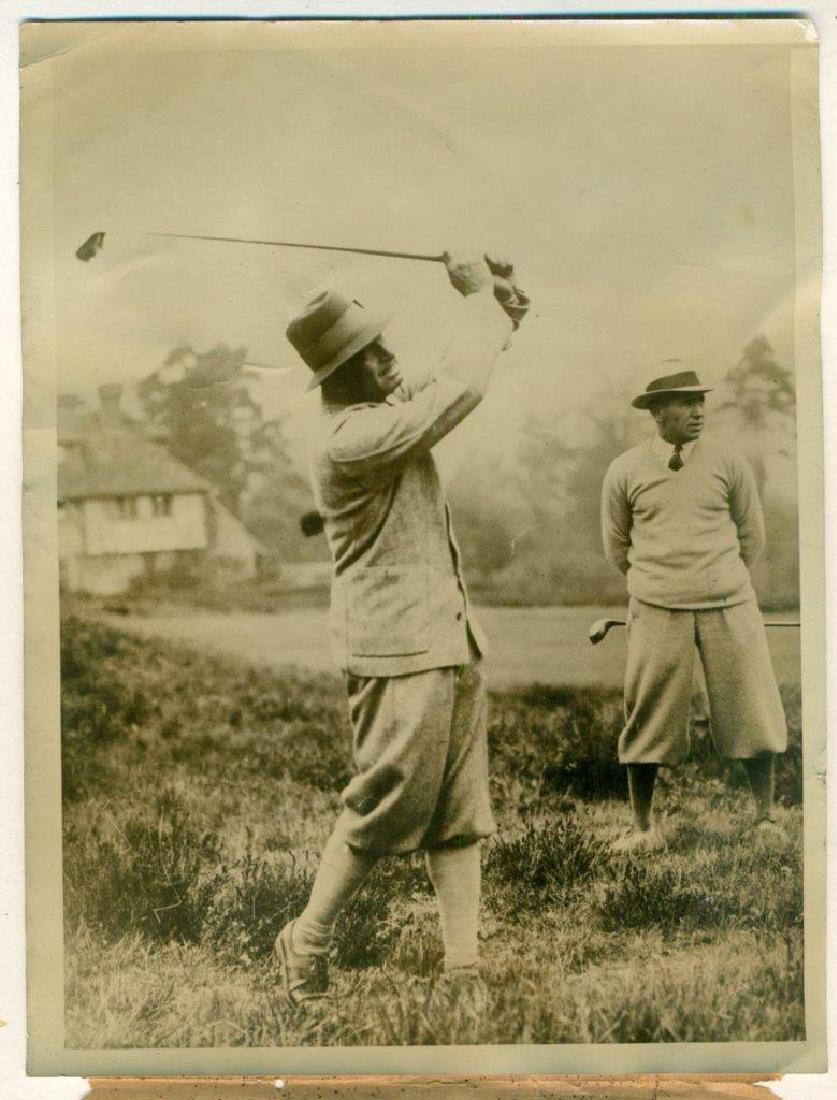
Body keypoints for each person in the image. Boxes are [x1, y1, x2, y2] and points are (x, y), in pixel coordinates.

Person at [276, 252, 528, 1006]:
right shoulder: (349, 440)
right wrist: (477, 299)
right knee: (382, 807)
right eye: (371, 352)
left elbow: (448, 372)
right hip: (394, 647)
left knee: (459, 810)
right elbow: (457, 391)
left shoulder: (377, 412)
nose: (389, 358)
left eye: (383, 343)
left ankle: (463, 969)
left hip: (445, 635)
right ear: (341, 375)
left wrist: (499, 309)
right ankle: (306, 940)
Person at [600, 367, 787, 853]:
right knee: (647, 712)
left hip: (729, 602)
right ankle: (642, 828)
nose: (698, 411)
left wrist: (717, 580)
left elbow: (752, 536)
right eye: (685, 403)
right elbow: (617, 546)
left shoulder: (728, 461)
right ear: (657, 412)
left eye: (700, 401)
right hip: (657, 606)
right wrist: (660, 583)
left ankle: (765, 819)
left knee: (752, 706)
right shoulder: (625, 469)